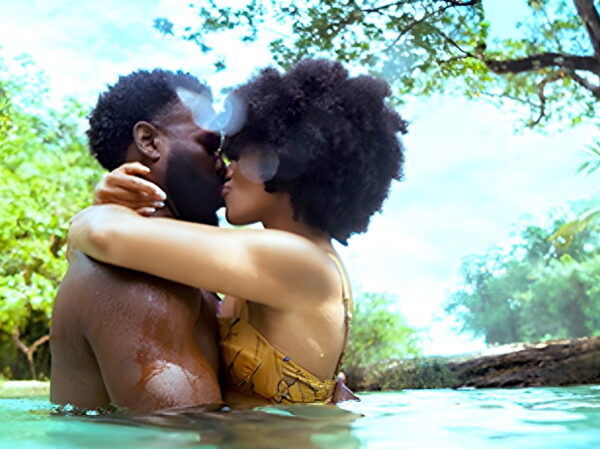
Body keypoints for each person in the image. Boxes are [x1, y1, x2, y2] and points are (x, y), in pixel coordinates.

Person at [69, 59, 408, 406]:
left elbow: (105, 238)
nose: (225, 169)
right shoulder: (281, 265)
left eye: (238, 154)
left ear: (279, 159)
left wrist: (89, 215)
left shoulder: (297, 260)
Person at [51, 69, 225, 414]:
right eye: (209, 146)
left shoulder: (177, 269)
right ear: (149, 141)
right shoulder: (139, 282)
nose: (224, 164)